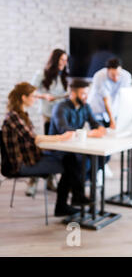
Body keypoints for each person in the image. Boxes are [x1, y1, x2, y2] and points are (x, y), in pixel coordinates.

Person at [1, 82, 91, 216]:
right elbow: (34, 139)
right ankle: (66, 203)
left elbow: (33, 139)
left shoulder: (20, 115)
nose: (35, 99)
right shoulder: (14, 117)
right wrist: (60, 137)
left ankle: (72, 200)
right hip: (22, 164)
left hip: (30, 158)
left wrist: (58, 139)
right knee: (69, 163)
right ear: (24, 98)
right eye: (33, 96)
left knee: (69, 158)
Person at [25, 49, 70, 196]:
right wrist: (44, 96)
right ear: (55, 59)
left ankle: (50, 181)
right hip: (48, 116)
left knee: (56, 150)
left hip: (60, 117)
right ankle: (33, 181)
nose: (64, 63)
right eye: (62, 60)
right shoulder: (42, 74)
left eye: (65, 60)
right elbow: (30, 91)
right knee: (46, 149)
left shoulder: (63, 75)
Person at [48, 79, 107, 187]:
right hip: (61, 148)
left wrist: (100, 128)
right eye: (83, 94)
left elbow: (95, 123)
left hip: (77, 146)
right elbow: (64, 130)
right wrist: (89, 133)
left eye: (87, 94)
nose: (86, 97)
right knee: (86, 162)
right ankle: (78, 187)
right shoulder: (60, 107)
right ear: (73, 93)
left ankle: (80, 183)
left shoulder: (85, 106)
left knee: (104, 156)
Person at [87, 57, 132, 129]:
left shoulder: (126, 76)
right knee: (99, 133)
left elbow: (124, 97)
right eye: (113, 75)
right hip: (97, 111)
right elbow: (106, 99)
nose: (116, 78)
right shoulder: (99, 76)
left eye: (118, 74)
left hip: (112, 110)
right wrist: (112, 120)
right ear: (107, 70)